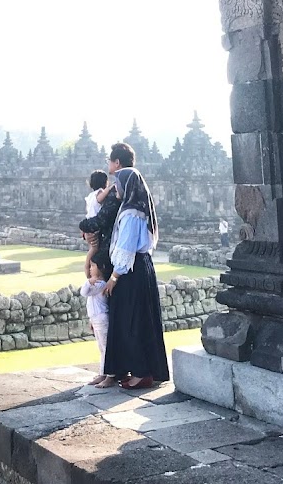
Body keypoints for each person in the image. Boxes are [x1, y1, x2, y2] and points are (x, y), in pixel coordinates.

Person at [101, 141, 169, 390]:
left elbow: (126, 249)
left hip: (130, 272)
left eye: (118, 183)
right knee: (142, 319)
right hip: (142, 269)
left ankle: (141, 372)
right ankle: (142, 369)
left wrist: (113, 277)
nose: (115, 187)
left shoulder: (131, 213)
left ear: (127, 186)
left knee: (132, 321)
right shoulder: (138, 209)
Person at [79, 250, 112, 385]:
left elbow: (84, 292)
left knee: (105, 348)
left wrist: (89, 282)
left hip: (102, 319)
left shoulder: (101, 285)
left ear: (101, 268)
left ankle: (109, 375)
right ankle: (102, 373)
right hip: (96, 319)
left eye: (93, 266)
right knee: (101, 347)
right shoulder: (96, 284)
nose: (90, 269)